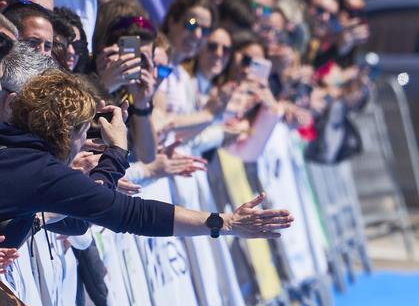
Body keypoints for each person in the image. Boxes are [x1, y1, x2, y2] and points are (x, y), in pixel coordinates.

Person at [0, 69, 292, 248]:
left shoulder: (18, 153)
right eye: (84, 129)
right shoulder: (41, 172)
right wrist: (116, 150)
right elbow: (130, 214)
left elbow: (77, 221)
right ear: (69, 133)